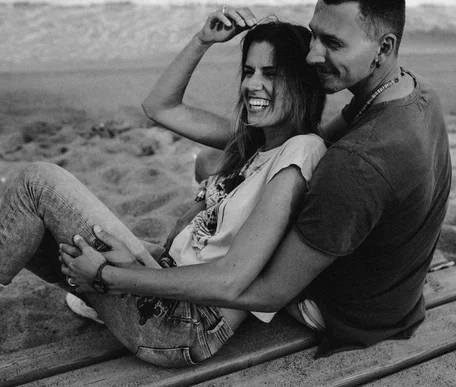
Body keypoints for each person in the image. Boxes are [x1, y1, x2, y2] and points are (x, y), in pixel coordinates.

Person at [65, 0, 451, 357]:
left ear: (383, 48)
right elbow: (162, 108)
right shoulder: (410, 92)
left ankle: (153, 271)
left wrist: (118, 277)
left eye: (332, 43)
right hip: (395, 297)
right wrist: (203, 41)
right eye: (314, 34)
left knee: (234, 196)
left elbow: (265, 291)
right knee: (214, 163)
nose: (314, 54)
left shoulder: (356, 163)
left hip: (341, 312)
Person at [0, 11, 326, 367]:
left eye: (272, 74)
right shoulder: (253, 142)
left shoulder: (301, 151)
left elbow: (231, 279)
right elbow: (159, 107)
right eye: (249, 71)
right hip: (165, 273)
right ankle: (101, 303)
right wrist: (202, 40)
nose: (252, 85)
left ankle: (101, 299)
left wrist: (109, 277)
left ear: (303, 83)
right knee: (35, 223)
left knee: (38, 183)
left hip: (184, 324)